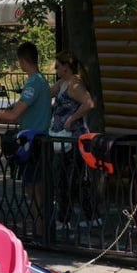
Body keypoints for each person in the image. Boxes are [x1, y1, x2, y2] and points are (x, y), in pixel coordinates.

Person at [0, 42, 51, 232]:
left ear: (23, 61)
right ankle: (41, 230)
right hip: (35, 140)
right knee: (34, 188)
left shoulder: (34, 83)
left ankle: (41, 231)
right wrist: (0, 111)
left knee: (34, 190)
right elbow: (18, 113)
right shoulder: (40, 81)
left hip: (34, 142)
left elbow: (14, 115)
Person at [48, 51, 98, 230]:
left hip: (76, 139)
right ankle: (82, 215)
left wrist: (72, 118)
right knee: (67, 177)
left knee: (72, 178)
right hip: (63, 138)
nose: (56, 69)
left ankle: (67, 217)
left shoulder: (75, 85)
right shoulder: (62, 83)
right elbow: (47, 93)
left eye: (58, 66)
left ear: (66, 67)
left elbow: (89, 103)